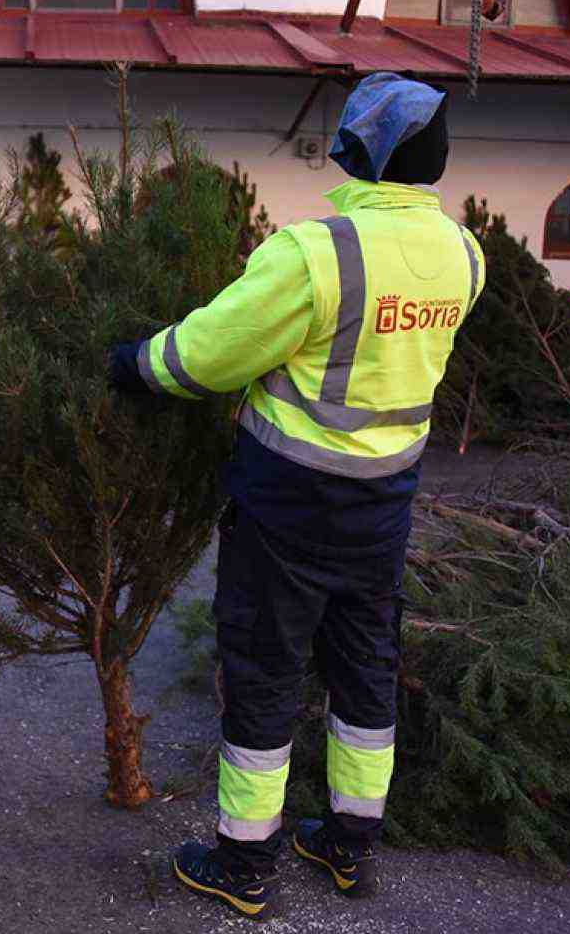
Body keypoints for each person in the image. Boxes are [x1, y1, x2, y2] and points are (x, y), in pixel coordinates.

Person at [107, 72, 484, 919]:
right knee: (365, 673)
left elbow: (207, 355)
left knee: (266, 674)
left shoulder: (319, 251)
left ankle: (244, 862)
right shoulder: (466, 255)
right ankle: (348, 846)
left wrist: (133, 365)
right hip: (386, 504)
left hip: (289, 506)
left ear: (359, 149)